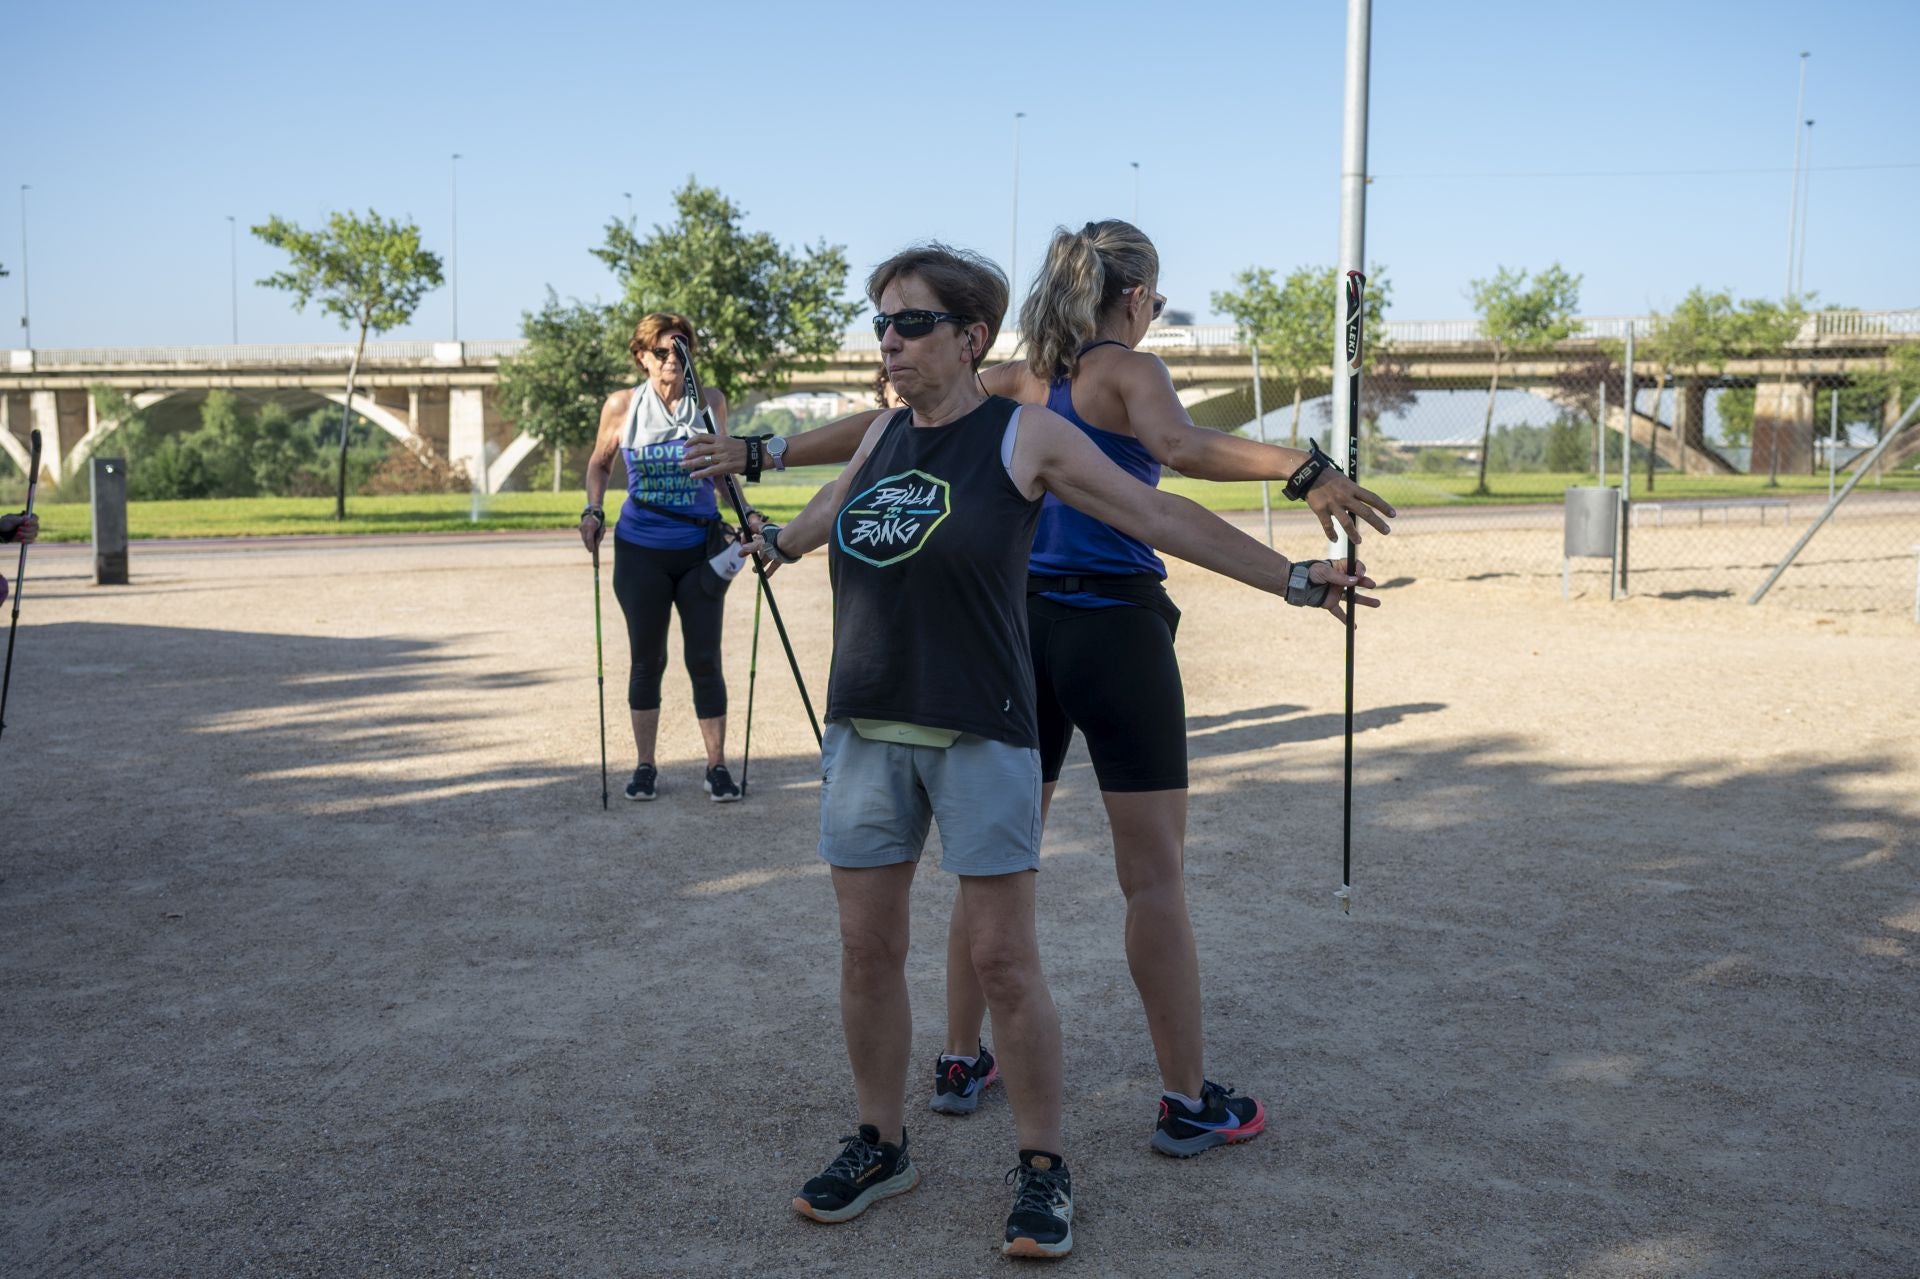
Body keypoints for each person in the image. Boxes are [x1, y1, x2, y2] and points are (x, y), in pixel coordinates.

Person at [683, 220, 1395, 1156]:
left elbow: (876, 431)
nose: (894, 344)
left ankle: (957, 1057)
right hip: (1114, 632)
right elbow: (1172, 463)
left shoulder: (1015, 385)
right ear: (1136, 297)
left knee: (990, 879)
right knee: (1152, 877)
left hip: (1016, 635)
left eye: (908, 328)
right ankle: (1185, 1097)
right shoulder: (1118, 375)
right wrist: (1301, 482)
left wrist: (768, 455)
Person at [577, 312, 748, 803]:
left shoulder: (710, 403)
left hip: (699, 552)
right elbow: (600, 462)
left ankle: (716, 767)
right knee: (647, 661)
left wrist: (747, 512)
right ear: (642, 357)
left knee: (704, 660)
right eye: (662, 352)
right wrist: (593, 508)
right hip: (641, 553)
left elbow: (723, 471)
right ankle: (645, 765)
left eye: (682, 350)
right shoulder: (623, 405)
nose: (673, 360)